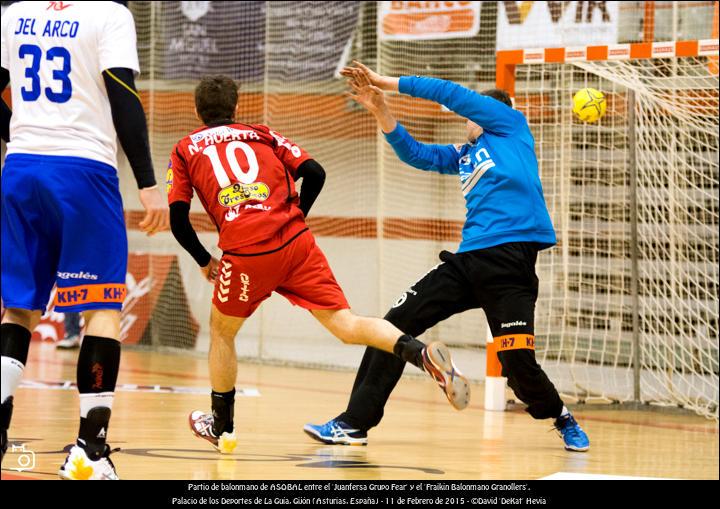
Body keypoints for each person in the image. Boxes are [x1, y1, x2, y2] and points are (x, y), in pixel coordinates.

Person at [167, 75, 470, 453]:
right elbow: (316, 173)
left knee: (223, 332)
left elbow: (178, 219)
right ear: (237, 108)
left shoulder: (184, 149)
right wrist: (296, 217)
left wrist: (203, 260)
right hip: (296, 243)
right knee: (347, 324)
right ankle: (418, 353)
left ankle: (223, 427)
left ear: (197, 112)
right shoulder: (262, 133)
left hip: (246, 253)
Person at [305, 62, 590, 452]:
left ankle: (560, 416)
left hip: (510, 266)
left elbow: (449, 93)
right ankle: (354, 424)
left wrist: (384, 80)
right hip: (467, 262)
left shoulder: (509, 125)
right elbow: (417, 154)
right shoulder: (465, 154)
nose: (466, 122)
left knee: (517, 366)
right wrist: (381, 109)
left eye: (471, 117)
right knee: (391, 327)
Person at [0, 1, 169, 479]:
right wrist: (148, 181)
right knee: (102, 309)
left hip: (21, 168)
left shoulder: (15, 13)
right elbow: (123, 96)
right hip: (83, 171)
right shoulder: (108, 14)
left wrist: (18, 133)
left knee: (18, 309)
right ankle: (90, 452)